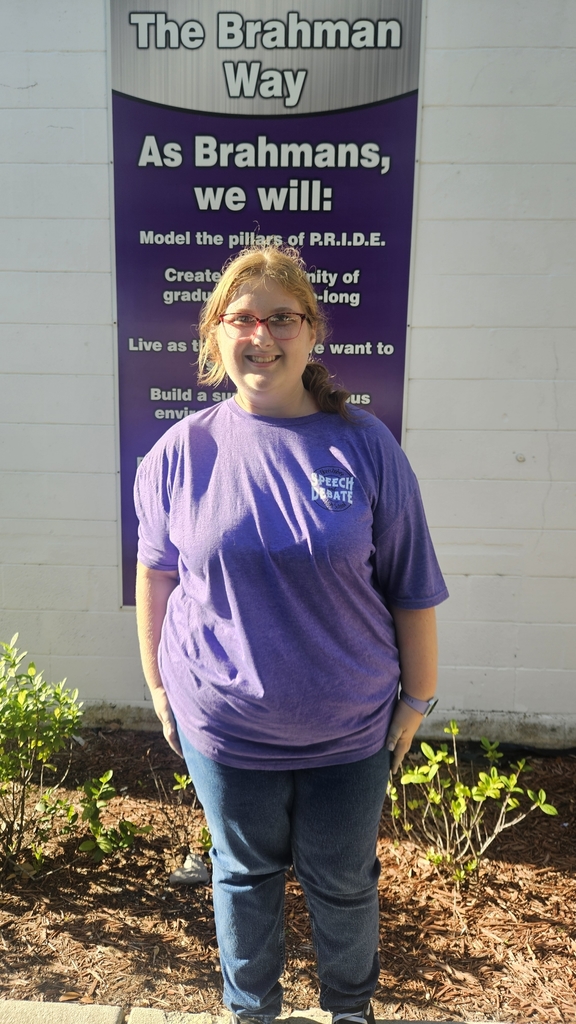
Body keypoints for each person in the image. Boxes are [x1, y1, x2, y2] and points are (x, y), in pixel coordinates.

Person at [134, 245, 448, 1024]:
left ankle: (350, 1010)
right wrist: (158, 689)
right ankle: (253, 1014)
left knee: (344, 882)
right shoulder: (181, 452)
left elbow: (412, 586)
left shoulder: (366, 445)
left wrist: (418, 701)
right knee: (242, 878)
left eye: (282, 317)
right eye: (242, 318)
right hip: (227, 729)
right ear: (215, 335)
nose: (261, 336)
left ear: (312, 332)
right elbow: (157, 577)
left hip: (349, 732)